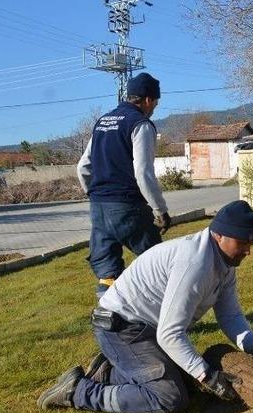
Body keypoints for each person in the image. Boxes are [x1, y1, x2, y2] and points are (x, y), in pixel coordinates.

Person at [37, 200, 253, 413]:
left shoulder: (224, 263)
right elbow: (170, 334)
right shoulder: (195, 263)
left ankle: (109, 372)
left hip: (144, 328)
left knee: (187, 383)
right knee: (169, 397)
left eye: (252, 243)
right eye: (242, 242)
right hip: (122, 329)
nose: (248, 251)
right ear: (219, 235)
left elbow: (230, 316)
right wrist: (208, 377)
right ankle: (78, 391)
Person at [77, 72, 171, 298]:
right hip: (127, 207)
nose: (154, 108)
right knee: (157, 263)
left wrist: (96, 195)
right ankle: (165, 313)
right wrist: (160, 210)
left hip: (99, 208)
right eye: (155, 103)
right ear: (147, 99)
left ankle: (109, 313)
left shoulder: (102, 123)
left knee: (107, 272)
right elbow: (143, 173)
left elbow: (83, 167)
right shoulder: (140, 124)